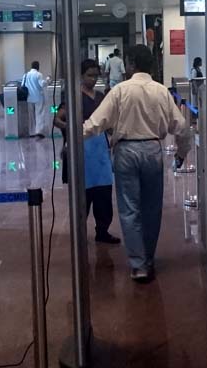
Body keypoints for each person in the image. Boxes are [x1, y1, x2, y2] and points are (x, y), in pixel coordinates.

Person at [83, 45, 191, 283]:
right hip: (153, 149)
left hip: (126, 152)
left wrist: (74, 139)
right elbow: (182, 128)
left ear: (131, 64)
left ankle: (138, 265)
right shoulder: (162, 91)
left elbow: (96, 122)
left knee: (129, 208)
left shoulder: (119, 90)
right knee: (152, 209)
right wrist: (181, 154)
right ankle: (149, 259)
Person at [54, 60, 121, 245]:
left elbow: (108, 123)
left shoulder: (101, 97)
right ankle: (79, 233)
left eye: (95, 75)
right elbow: (57, 120)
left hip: (100, 153)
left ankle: (102, 231)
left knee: (103, 195)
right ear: (81, 76)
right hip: (81, 151)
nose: (92, 79)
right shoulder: (73, 98)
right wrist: (75, 129)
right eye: (89, 75)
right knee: (83, 196)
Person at [22, 61, 47, 139]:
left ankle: (31, 132)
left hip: (29, 98)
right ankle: (39, 131)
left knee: (31, 116)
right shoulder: (39, 74)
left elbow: (22, 85)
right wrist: (47, 80)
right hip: (38, 97)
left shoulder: (26, 75)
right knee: (39, 114)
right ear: (38, 67)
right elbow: (42, 84)